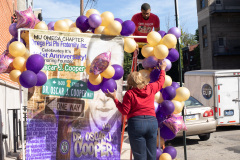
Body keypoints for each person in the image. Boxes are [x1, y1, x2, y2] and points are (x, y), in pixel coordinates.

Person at [105, 61, 167, 160]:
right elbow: (161, 82)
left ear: (130, 82)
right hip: (151, 122)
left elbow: (125, 111)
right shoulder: (151, 88)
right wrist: (163, 69)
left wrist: (115, 99)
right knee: (152, 154)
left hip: (136, 123)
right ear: (142, 79)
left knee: (140, 155)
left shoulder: (130, 94)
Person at [131, 3, 161, 70]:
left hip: (148, 43)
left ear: (150, 10)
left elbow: (157, 33)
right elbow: (131, 31)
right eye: (144, 13)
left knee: (149, 63)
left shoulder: (155, 18)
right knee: (136, 63)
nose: (146, 15)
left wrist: (156, 44)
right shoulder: (135, 17)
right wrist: (133, 43)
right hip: (137, 43)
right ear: (141, 10)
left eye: (147, 13)